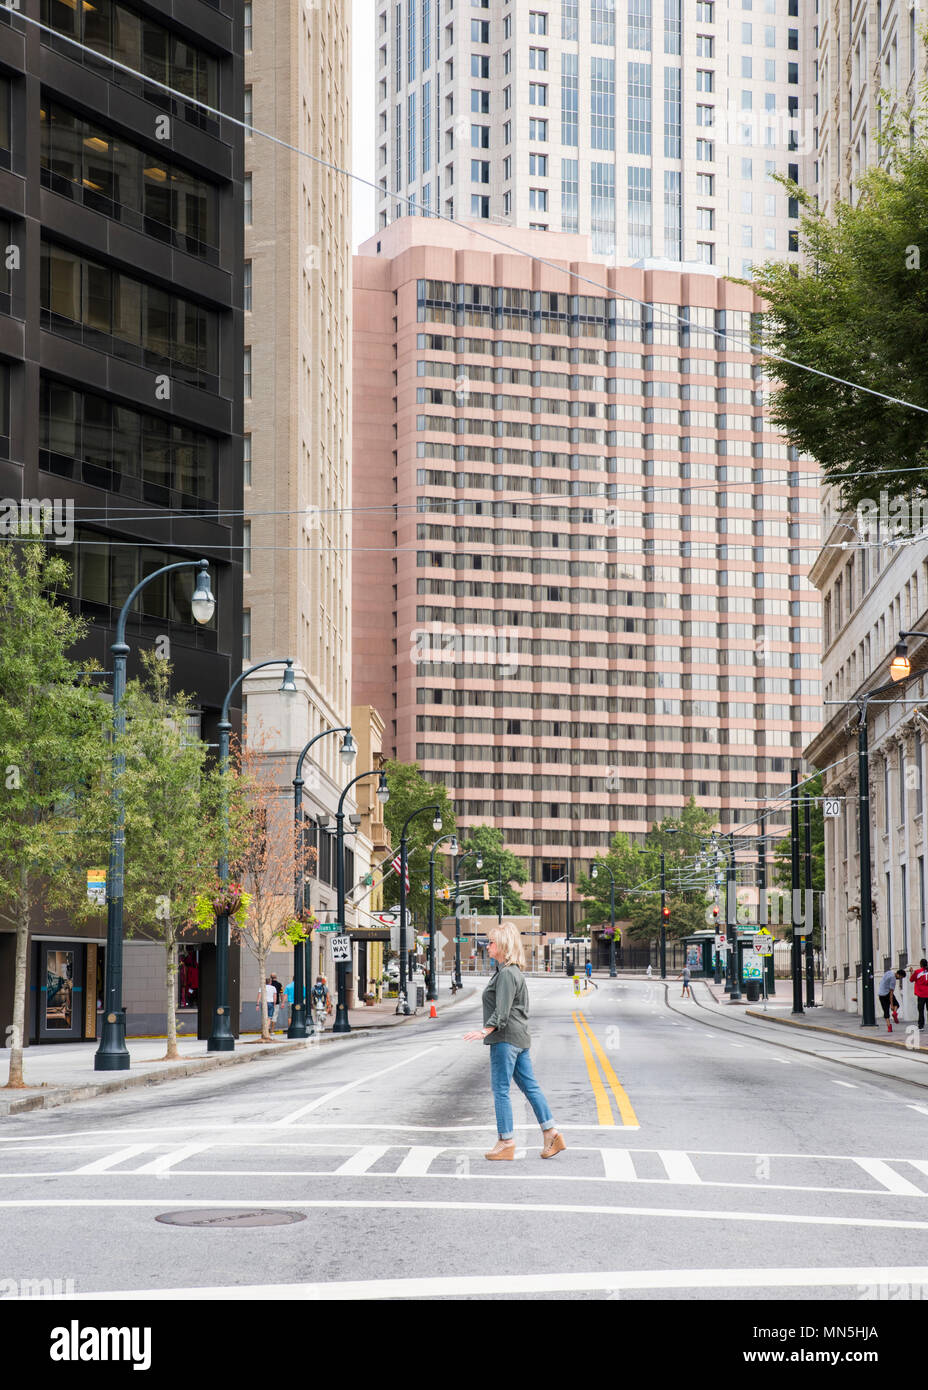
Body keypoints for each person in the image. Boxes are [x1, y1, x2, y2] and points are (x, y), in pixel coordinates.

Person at [463, 921, 565, 1162]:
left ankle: (506, 1141)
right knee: (530, 1088)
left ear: (503, 945)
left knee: (500, 1090)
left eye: (491, 942)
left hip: (506, 1038)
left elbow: (503, 1011)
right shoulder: (512, 971)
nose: (486, 946)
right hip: (519, 1038)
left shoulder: (508, 973)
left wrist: (486, 1030)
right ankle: (551, 1133)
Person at [878, 967, 906, 1032]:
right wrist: (892, 1005)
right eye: (900, 977)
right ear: (899, 975)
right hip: (887, 994)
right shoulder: (893, 980)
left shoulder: (889, 972)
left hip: (880, 994)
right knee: (897, 1004)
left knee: (886, 1011)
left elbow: (882, 981)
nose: (899, 979)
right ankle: (895, 1013)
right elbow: (891, 994)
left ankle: (889, 1027)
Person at [909, 959, 928, 1030]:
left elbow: (911, 980)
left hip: (921, 994)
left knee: (921, 1011)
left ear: (921, 964)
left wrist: (911, 972)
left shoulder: (918, 972)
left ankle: (921, 1026)